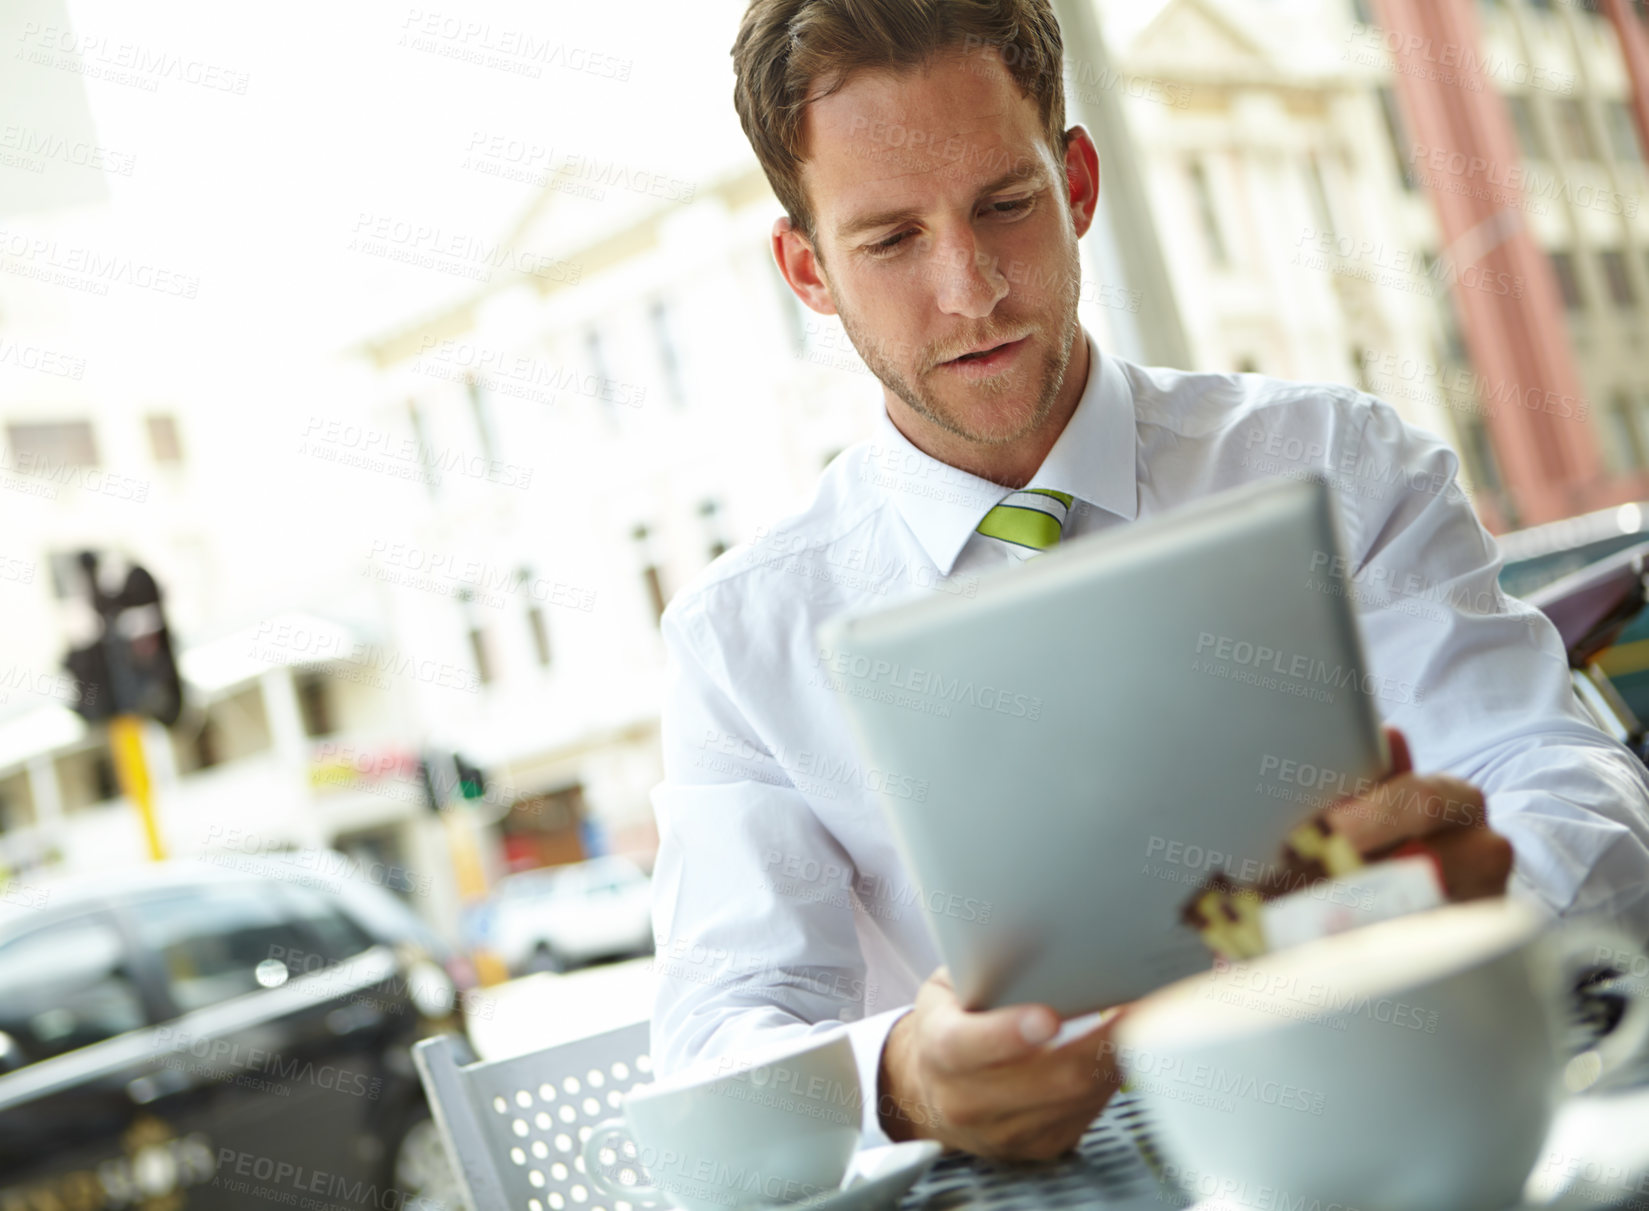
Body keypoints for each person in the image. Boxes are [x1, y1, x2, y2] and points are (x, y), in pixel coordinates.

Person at [648, 0, 1649, 1162]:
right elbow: (714, 1048)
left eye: (1003, 205)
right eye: (890, 241)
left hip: (1389, 1113)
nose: (970, 289)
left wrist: (1485, 894)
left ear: (1075, 184)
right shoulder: (742, 640)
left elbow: (1567, 785)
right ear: (805, 269)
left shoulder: (1339, 466)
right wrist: (904, 1080)